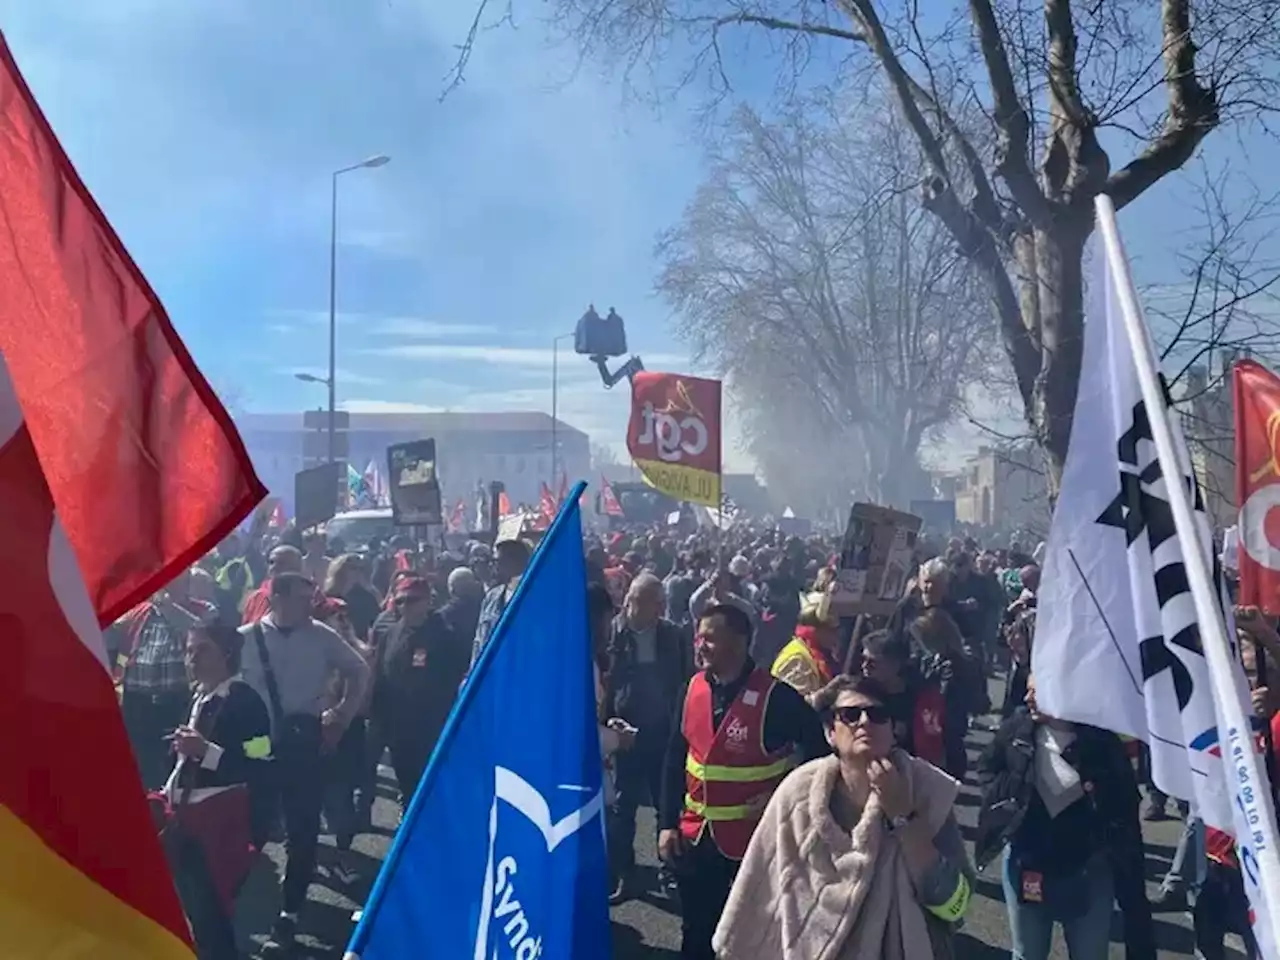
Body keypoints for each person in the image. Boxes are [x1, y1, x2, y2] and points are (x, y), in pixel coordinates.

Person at [714, 675, 972, 959]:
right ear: (830, 733)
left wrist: (904, 817)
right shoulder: (797, 793)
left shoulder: (928, 793)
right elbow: (758, 896)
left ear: (894, 730)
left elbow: (957, 907)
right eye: (850, 715)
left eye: (877, 714)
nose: (864, 722)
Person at [658, 603, 829, 960]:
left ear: (738, 643)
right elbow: (674, 758)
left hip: (752, 842)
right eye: (698, 636)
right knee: (696, 931)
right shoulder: (691, 688)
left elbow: (820, 757)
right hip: (695, 836)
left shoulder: (777, 698)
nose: (699, 644)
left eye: (708, 637)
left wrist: (784, 797)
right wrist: (666, 824)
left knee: (750, 935)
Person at [975, 676, 1155, 960]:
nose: (1028, 697)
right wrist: (1006, 801)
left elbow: (1125, 803)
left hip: (1088, 866)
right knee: (1026, 954)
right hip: (1027, 860)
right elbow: (986, 766)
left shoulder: (1102, 740)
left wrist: (1097, 798)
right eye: (1028, 689)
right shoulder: (1016, 729)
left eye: (1037, 690)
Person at [239, 572, 371, 956]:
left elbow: (358, 670)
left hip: (303, 737)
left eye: (311, 598)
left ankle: (289, 912)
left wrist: (342, 715)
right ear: (277, 597)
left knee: (303, 828)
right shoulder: (246, 637)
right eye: (301, 598)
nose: (310, 605)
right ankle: (240, 898)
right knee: (255, 822)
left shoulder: (320, 635)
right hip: (257, 741)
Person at [162, 622, 272, 960]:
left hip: (219, 823)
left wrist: (207, 751)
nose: (192, 659)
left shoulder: (247, 702)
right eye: (189, 650)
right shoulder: (197, 695)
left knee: (212, 912)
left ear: (226, 654)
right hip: (184, 815)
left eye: (202, 650)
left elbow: (262, 760)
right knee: (193, 909)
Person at [604, 572, 690, 903]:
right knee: (623, 805)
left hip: (663, 731)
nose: (634, 609)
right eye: (633, 602)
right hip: (623, 730)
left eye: (652, 603)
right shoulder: (615, 631)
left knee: (666, 804)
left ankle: (669, 870)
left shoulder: (673, 634)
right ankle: (625, 873)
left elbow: (685, 678)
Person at [372, 576, 470, 804]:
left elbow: (456, 675)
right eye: (400, 601)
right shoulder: (390, 634)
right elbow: (380, 675)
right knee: (405, 778)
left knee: (431, 780)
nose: (406, 606)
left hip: (431, 724)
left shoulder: (445, 635)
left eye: (412, 600)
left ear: (427, 601)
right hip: (397, 724)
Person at [859, 628, 946, 767]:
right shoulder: (859, 694)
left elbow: (932, 745)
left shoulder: (925, 700)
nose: (865, 667)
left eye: (873, 662)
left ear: (895, 664)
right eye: (863, 659)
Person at [470, 538, 532, 667]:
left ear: (513, 562)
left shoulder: (532, 597)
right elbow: (479, 641)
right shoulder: (492, 597)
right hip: (491, 672)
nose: (493, 566)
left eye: (496, 561)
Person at [770, 588, 840, 700]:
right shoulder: (797, 659)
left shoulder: (817, 653)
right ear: (817, 629)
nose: (836, 635)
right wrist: (823, 696)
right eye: (831, 630)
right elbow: (791, 706)